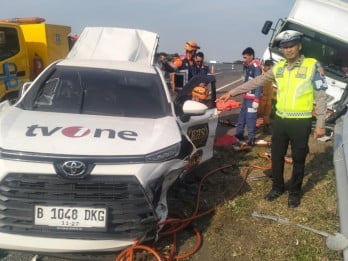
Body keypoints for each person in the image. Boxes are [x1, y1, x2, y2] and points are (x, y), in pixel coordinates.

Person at [218, 30, 327, 208]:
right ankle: (277, 187)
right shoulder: (280, 67)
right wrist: (232, 92)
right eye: (285, 47)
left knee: (299, 159)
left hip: (301, 122)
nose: (288, 50)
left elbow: (321, 96)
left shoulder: (312, 65)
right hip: (281, 121)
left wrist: (321, 124)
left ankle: (295, 193)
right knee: (277, 156)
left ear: (299, 46)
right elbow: (257, 81)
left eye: (292, 46)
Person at [234, 47, 262, 146]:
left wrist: (257, 99)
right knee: (241, 117)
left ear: (251, 56)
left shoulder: (256, 67)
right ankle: (239, 135)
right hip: (246, 98)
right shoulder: (248, 66)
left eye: (245, 57)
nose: (243, 59)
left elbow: (259, 83)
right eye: (243, 57)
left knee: (250, 119)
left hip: (252, 99)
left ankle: (251, 138)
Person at [257, 59, 274, 132]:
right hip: (262, 98)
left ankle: (266, 126)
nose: (270, 69)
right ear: (265, 66)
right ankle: (257, 127)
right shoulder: (260, 74)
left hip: (268, 98)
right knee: (259, 113)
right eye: (269, 68)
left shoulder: (270, 74)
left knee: (267, 113)